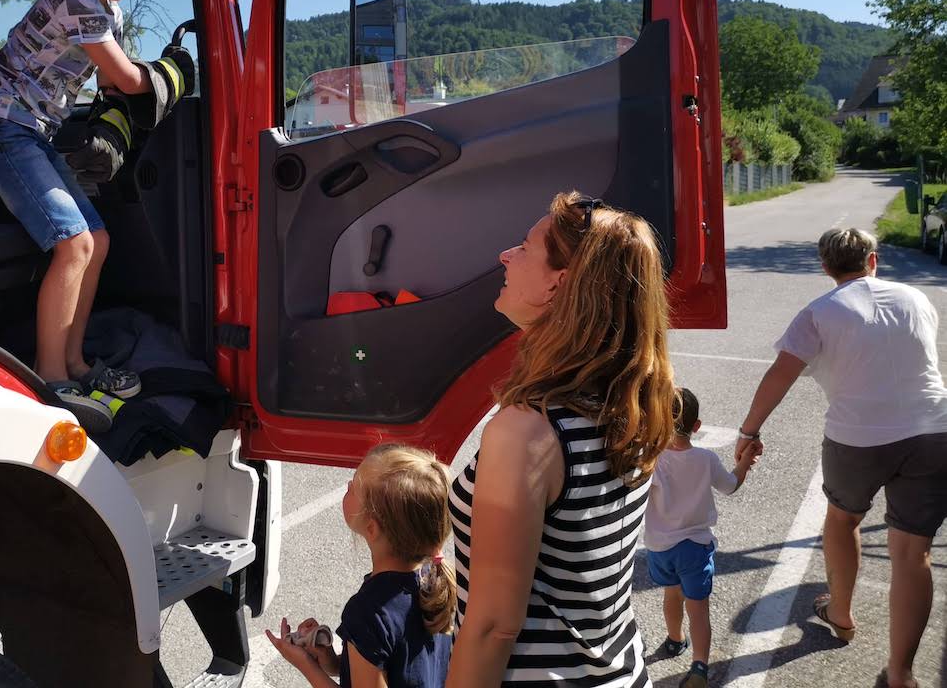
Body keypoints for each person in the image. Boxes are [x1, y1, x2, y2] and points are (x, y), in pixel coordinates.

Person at [0, 0, 190, 397]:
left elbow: (108, 80)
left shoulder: (107, 9)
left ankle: (75, 361)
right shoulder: (79, 1)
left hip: (32, 132)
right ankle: (51, 377)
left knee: (98, 241)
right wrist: (173, 74)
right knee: (74, 243)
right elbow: (125, 79)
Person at [446, 191, 677, 687]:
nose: (505, 256)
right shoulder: (634, 403)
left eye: (525, 248)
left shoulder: (527, 432)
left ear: (561, 283)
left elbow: (492, 627)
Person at [736, 227, 947, 688]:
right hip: (934, 429)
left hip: (857, 437)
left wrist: (749, 431)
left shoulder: (819, 311)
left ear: (825, 266)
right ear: (873, 261)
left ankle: (842, 613)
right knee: (913, 552)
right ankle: (901, 673)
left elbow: (780, 375)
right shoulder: (916, 298)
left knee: (843, 518)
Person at [266, 443, 455, 688]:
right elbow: (396, 666)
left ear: (372, 528)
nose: (347, 485)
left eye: (354, 487)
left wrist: (305, 665)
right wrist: (331, 661)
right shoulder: (433, 580)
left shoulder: (369, 613)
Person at [644, 387, 760, 688]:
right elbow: (730, 485)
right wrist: (745, 463)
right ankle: (699, 666)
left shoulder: (651, 459)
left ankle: (674, 639)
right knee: (698, 608)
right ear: (697, 426)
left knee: (671, 594)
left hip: (660, 547)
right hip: (695, 548)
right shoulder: (705, 459)